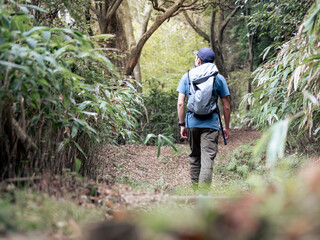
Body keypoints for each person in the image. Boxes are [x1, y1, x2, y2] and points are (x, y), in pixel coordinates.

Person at [176, 47, 231, 193]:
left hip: (192, 123)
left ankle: (196, 194)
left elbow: (181, 103)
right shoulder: (218, 78)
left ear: (198, 60)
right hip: (211, 124)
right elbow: (226, 106)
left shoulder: (187, 76)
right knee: (207, 161)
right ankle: (203, 196)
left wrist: (182, 125)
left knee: (195, 157)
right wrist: (226, 127)